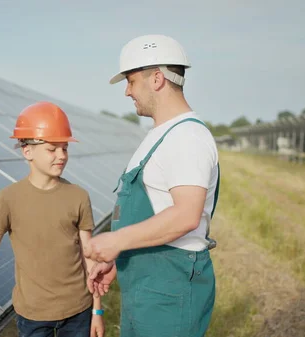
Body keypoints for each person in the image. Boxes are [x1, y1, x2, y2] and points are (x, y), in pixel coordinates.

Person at [83, 34, 221, 337]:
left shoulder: (187, 138)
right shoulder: (161, 136)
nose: (127, 92)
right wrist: (122, 259)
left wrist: (116, 242)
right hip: (150, 286)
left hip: (168, 288)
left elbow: (186, 215)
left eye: (131, 81)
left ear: (157, 78)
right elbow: (157, 211)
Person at [0, 101, 105, 337]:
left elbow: (89, 257)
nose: (61, 155)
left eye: (65, 148)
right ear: (28, 151)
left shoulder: (78, 196)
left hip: (79, 312)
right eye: (52, 149)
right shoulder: (9, 198)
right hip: (32, 314)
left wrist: (97, 311)